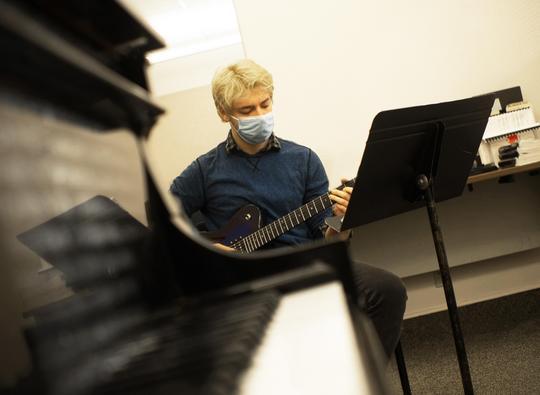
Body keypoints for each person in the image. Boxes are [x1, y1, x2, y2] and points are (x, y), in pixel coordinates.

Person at [170, 59, 407, 359]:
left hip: (306, 265)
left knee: (388, 289)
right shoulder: (205, 170)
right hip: (247, 280)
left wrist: (343, 220)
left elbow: (328, 238)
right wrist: (210, 253)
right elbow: (165, 222)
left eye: (264, 104)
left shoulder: (304, 160)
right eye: (246, 111)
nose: (259, 115)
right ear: (223, 114)